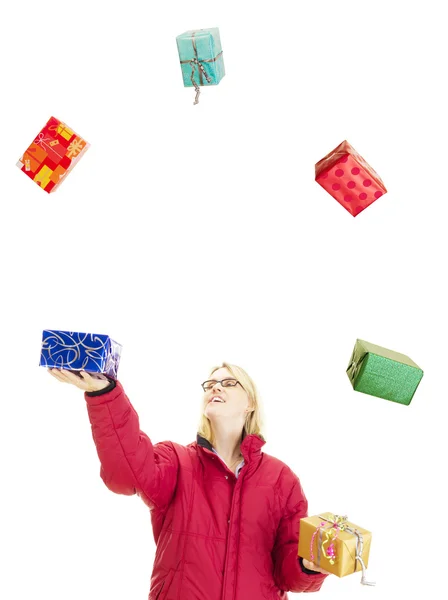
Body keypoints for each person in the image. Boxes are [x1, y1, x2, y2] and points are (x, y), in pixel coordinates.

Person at [48, 362, 329, 599]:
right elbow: (125, 473)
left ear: (250, 403)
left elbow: (288, 571)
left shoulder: (281, 480)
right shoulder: (176, 460)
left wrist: (309, 564)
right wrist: (105, 394)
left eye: (229, 383)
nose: (216, 388)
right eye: (210, 385)